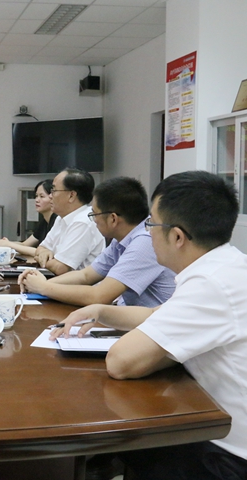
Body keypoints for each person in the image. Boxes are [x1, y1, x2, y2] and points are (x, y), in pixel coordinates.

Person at [51, 171, 247, 479]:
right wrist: (101, 311)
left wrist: (156, 350)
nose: (146, 232)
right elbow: (159, 314)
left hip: (226, 453)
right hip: (211, 420)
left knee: (119, 431)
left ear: (177, 237)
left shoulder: (211, 284)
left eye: (152, 224)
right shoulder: (225, 265)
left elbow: (121, 362)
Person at [18, 177, 175, 307]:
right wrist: (39, 283)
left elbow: (99, 296)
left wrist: (44, 287)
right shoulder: (121, 240)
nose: (93, 220)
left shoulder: (144, 243)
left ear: (113, 219)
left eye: (94, 214)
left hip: (156, 329)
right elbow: (86, 275)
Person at [35, 168, 104, 275]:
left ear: (71, 195)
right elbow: (40, 248)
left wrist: (43, 259)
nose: (50, 196)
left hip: (78, 285)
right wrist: (44, 252)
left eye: (54, 190)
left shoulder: (83, 222)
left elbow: (60, 268)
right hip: (59, 281)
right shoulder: (61, 217)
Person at [0, 179, 56, 257]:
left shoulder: (57, 220)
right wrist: (5, 243)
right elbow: (25, 244)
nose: (37, 200)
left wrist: (9, 244)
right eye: (36, 196)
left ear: (52, 198)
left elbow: (43, 252)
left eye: (42, 196)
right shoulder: (44, 221)